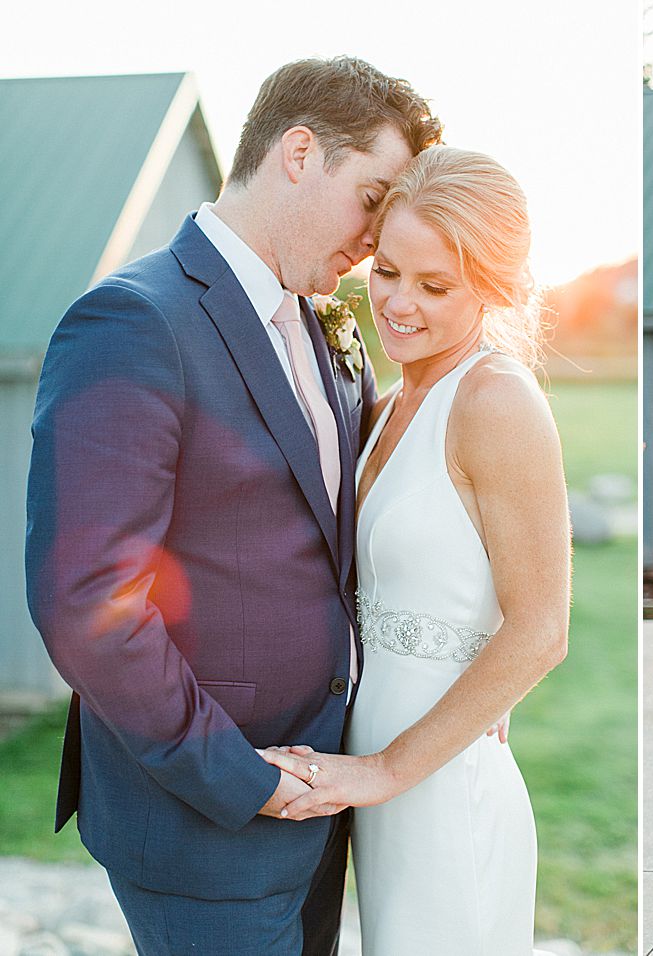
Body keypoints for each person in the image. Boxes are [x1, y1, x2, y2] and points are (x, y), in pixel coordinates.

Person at [25, 57, 438, 954]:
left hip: (321, 809)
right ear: (299, 153)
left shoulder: (331, 326)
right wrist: (242, 779)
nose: (378, 238)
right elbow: (86, 602)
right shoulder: (133, 323)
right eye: (371, 195)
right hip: (207, 822)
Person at [259, 145, 571, 954]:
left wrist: (386, 771)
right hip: (378, 778)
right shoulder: (391, 400)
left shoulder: (495, 400)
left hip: (441, 786)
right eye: (389, 270)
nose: (397, 303)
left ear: (494, 288)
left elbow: (542, 630)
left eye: (436, 286)